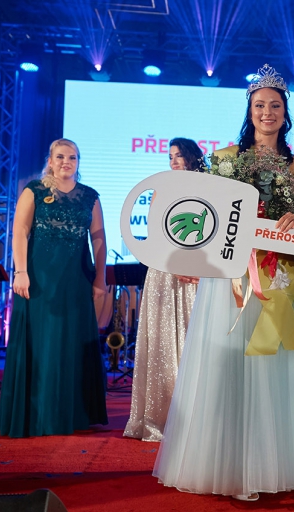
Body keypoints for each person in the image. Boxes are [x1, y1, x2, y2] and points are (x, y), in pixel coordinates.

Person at [153, 65, 294, 500]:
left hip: (281, 274)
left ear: (285, 112)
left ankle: (282, 465)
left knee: (281, 367)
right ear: (249, 110)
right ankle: (234, 469)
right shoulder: (224, 158)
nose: (267, 112)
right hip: (233, 278)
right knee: (231, 363)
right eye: (259, 105)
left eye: (275, 105)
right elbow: (206, 216)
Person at [0, 138, 108, 437]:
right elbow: (20, 231)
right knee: (43, 342)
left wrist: (100, 278)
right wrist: (20, 272)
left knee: (71, 343)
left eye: (72, 157)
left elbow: (98, 238)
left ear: (78, 162)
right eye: (60, 157)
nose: (66, 162)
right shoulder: (34, 190)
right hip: (40, 278)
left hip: (76, 278)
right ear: (50, 160)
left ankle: (71, 414)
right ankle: (38, 415)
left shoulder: (90, 196)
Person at [123, 137, 203, 442]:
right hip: (164, 269)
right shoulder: (161, 187)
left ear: (193, 156)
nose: (174, 161)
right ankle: (161, 417)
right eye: (170, 156)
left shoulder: (209, 187)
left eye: (179, 155)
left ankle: (196, 417)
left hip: (196, 271)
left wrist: (195, 264)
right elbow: (155, 231)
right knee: (162, 344)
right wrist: (173, 261)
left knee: (193, 338)